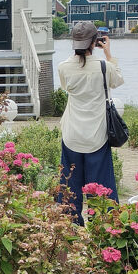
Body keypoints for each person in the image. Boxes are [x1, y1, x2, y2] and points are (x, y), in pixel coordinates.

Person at [58, 21, 124, 226]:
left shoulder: (63, 67)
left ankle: (70, 226)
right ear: (95, 41)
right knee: (101, 186)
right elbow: (118, 80)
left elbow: (66, 88)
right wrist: (109, 55)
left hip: (72, 133)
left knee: (69, 183)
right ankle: (103, 226)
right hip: (97, 133)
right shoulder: (104, 67)